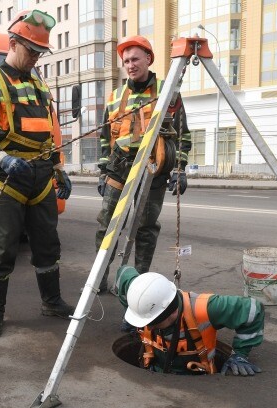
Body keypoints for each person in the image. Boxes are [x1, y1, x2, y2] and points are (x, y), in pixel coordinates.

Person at [0, 10, 74, 338]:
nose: (36, 58)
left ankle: (51, 301)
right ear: (13, 43)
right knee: (2, 249)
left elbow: (47, 135)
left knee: (47, 244)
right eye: (32, 51)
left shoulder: (39, 85)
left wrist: (58, 170)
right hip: (9, 178)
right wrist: (1, 157)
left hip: (40, 177)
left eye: (40, 53)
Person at [95, 35, 192, 295]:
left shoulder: (167, 90)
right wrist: (103, 173)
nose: (130, 64)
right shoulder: (116, 97)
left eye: (135, 59)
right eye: (126, 60)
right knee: (107, 225)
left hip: (153, 169)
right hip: (120, 168)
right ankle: (99, 279)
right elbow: (106, 138)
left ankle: (136, 282)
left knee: (146, 227)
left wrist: (180, 169)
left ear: (148, 59)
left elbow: (183, 134)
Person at [116, 265, 264, 376]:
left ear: (172, 312)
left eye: (153, 323)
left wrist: (240, 354)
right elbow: (124, 272)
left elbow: (252, 309)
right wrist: (134, 314)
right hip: (154, 371)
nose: (149, 327)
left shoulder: (206, 308)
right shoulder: (144, 296)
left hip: (198, 378)